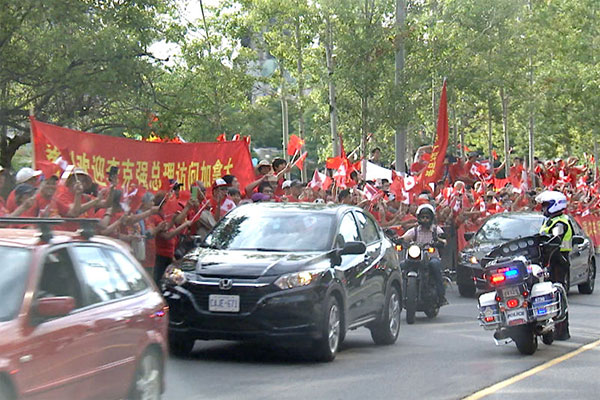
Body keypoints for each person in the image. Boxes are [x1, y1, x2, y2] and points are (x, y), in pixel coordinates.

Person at [535, 190, 572, 340]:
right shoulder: (550, 221)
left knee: (557, 293)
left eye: (546, 205)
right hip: (550, 260)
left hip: (558, 260)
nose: (543, 209)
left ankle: (561, 330)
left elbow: (554, 241)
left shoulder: (560, 222)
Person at [400, 204, 448, 305]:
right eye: (423, 217)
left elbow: (444, 240)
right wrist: (398, 239)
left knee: (435, 265)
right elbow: (405, 237)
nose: (425, 220)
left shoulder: (436, 230)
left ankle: (441, 296)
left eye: (427, 217)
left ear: (431, 218)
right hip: (416, 258)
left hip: (431, 258)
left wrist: (438, 241)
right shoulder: (415, 230)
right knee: (401, 266)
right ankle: (398, 294)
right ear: (418, 218)